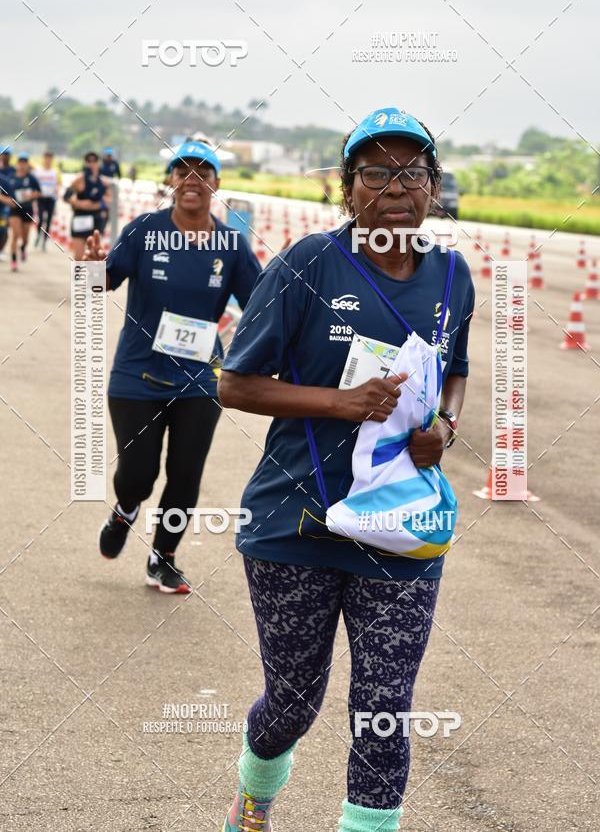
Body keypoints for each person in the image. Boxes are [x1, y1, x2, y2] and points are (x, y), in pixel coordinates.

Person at [218, 107, 475, 831]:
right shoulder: (306, 264)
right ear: (347, 185)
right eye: (376, 171)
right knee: (293, 701)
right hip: (293, 521)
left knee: (385, 708)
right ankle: (254, 795)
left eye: (413, 171)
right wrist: (342, 402)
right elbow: (234, 382)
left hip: (398, 526)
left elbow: (453, 371)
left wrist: (445, 428)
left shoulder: (454, 278)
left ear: (433, 185)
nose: (396, 185)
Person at [82, 141, 261, 593]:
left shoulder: (232, 245)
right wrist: (88, 269)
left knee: (185, 474)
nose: (192, 180)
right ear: (170, 181)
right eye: (182, 171)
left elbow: (261, 304)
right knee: (139, 475)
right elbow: (104, 280)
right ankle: (125, 509)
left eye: (203, 172)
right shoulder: (144, 231)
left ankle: (163, 558)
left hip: (200, 380)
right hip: (136, 376)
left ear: (217, 183)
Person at [0, 153, 41, 271]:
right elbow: (6, 194)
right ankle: (13, 261)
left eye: (24, 163)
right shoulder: (11, 178)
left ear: (27, 165)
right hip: (14, 210)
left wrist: (30, 195)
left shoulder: (31, 178)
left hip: (27, 210)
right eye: (20, 163)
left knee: (25, 238)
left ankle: (23, 248)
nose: (22, 166)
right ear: (17, 164)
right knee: (15, 235)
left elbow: (39, 192)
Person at [67, 152, 110, 260]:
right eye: (88, 161)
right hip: (80, 218)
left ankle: (93, 277)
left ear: (98, 163)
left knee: (94, 255)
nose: (91, 164)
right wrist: (77, 203)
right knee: (78, 256)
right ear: (85, 163)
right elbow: (66, 196)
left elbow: (109, 200)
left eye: (94, 161)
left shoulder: (103, 182)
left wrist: (94, 204)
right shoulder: (79, 179)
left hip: (96, 219)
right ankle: (78, 277)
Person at [35, 151, 61, 250]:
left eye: (50, 159)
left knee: (49, 221)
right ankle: (38, 235)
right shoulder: (38, 171)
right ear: (44, 159)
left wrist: (57, 190)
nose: (48, 161)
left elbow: (58, 183)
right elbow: (34, 184)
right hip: (41, 198)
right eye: (46, 158)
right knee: (41, 219)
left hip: (51, 198)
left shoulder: (55, 171)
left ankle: (44, 241)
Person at [0, 145, 15, 262]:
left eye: (7, 154)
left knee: (3, 230)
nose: (5, 157)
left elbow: (12, 201)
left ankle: (1, 249)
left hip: (2, 211)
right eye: (3, 154)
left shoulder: (5, 179)